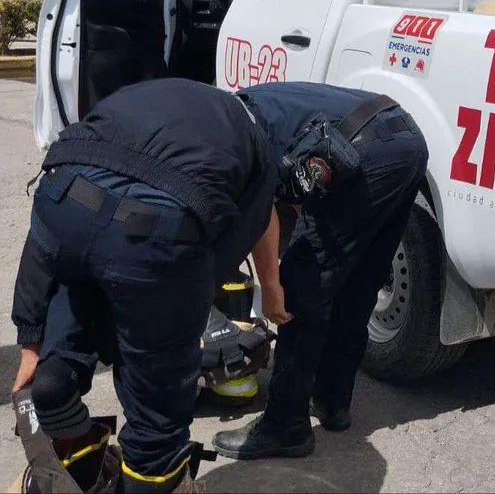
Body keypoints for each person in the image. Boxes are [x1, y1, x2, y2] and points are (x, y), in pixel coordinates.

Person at [10, 78, 284, 492]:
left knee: (77, 284)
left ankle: (60, 396)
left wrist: (31, 339)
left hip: (62, 196)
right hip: (157, 232)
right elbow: (222, 253)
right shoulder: (259, 149)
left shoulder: (148, 94)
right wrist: (167, 324)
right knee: (157, 425)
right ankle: (152, 478)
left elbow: (43, 243)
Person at [212, 83, 428, 461]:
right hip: (406, 139)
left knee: (303, 285)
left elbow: (264, 216)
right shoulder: (256, 108)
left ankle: (285, 426)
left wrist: (273, 288)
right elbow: (289, 200)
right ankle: (331, 400)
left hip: (365, 154)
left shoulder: (234, 139)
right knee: (357, 281)